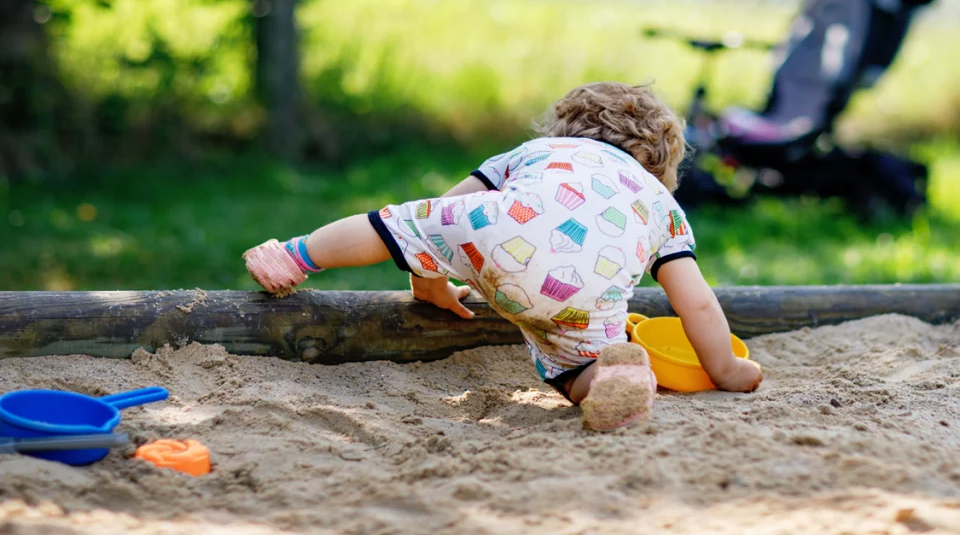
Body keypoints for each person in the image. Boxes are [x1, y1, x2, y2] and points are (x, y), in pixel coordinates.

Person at [243, 82, 764, 431]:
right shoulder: (661, 205)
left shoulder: (534, 153)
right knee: (573, 365)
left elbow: (450, 211)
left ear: (566, 128)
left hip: (496, 238)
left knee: (398, 223)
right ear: (660, 165)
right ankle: (608, 378)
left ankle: (295, 257)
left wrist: (429, 282)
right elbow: (695, 302)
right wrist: (724, 369)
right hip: (586, 296)